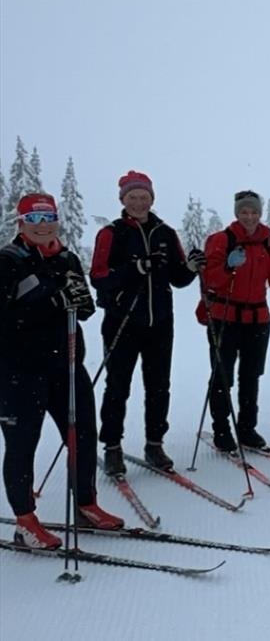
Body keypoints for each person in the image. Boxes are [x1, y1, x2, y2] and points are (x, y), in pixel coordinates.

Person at [1, 193, 124, 548]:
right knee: (23, 444)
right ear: (21, 223)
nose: (43, 226)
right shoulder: (8, 261)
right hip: (19, 371)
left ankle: (86, 505)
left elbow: (81, 303)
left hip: (67, 364)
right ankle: (25, 521)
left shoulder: (67, 257)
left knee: (83, 435)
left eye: (48, 218)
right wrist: (48, 301)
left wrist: (81, 303)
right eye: (34, 220)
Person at [90, 171, 203, 475]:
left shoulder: (165, 232)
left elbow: (177, 278)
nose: (139, 202)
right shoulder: (112, 233)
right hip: (122, 321)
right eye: (132, 197)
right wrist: (135, 268)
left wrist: (191, 268)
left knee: (159, 386)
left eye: (144, 197)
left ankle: (155, 444)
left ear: (152, 199)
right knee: (117, 386)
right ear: (123, 200)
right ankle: (112, 447)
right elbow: (98, 278)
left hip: (160, 322)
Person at [201, 190, 270, 452]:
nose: (249, 217)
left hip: (258, 319)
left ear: (260, 213)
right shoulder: (221, 240)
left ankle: (247, 428)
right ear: (236, 213)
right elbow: (211, 280)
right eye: (244, 212)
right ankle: (221, 429)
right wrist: (228, 267)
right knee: (222, 375)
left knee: (251, 376)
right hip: (224, 317)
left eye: (253, 212)